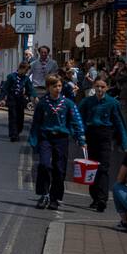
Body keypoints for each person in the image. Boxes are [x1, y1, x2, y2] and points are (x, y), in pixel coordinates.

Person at [29, 74, 86, 210]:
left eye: (59, 86)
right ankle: (44, 194)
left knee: (59, 169)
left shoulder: (68, 104)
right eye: (54, 86)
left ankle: (55, 198)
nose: (58, 89)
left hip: (61, 139)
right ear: (48, 87)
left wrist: (81, 138)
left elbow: (76, 121)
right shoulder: (42, 104)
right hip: (46, 138)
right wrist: (34, 141)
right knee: (44, 165)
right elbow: (36, 124)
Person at [78, 76, 127, 212]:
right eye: (97, 86)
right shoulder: (87, 102)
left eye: (102, 87)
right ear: (94, 87)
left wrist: (125, 142)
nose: (100, 89)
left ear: (106, 88)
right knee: (91, 167)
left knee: (103, 168)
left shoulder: (113, 103)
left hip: (105, 136)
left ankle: (102, 199)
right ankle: (94, 198)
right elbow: (79, 119)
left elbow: (119, 123)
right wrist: (80, 136)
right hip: (91, 135)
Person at [0, 60, 35, 142]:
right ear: (20, 68)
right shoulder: (11, 77)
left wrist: (34, 97)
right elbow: (5, 88)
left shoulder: (26, 79)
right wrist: (1, 99)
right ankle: (13, 134)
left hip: (21, 100)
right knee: (13, 117)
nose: (26, 73)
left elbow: (30, 89)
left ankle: (17, 131)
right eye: (25, 71)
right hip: (12, 99)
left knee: (20, 118)